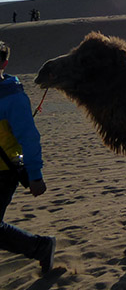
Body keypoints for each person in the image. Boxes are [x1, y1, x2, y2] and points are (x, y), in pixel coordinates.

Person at [0, 41, 55, 273]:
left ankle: (39, 247)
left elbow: (29, 138)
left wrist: (35, 175)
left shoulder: (12, 96)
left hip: (5, 169)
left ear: (4, 63)